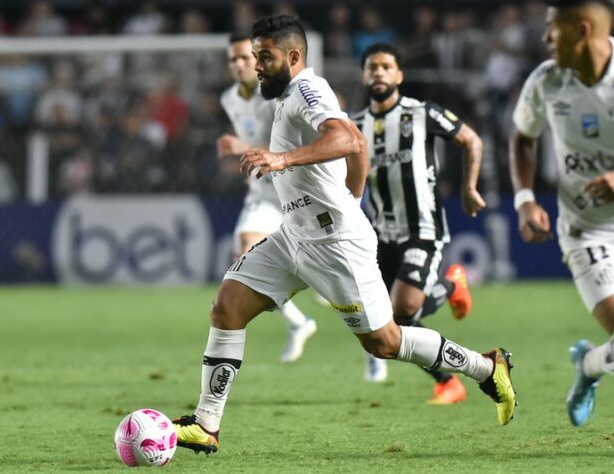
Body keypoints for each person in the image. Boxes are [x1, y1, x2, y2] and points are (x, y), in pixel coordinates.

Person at [173, 15, 516, 455]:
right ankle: (206, 424)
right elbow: (358, 145)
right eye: (254, 55)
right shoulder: (286, 95)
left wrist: (284, 160)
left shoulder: (306, 89)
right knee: (227, 307)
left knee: (385, 342)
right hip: (292, 236)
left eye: (265, 56)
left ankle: (487, 368)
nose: (257, 64)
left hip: (335, 245)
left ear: (293, 57)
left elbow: (347, 138)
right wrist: (352, 195)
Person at [353, 42, 486, 403]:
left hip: (423, 230)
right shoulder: (354, 126)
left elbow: (471, 139)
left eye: (386, 66)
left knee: (403, 310)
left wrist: (469, 186)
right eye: (372, 67)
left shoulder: (422, 113)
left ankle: (452, 286)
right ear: (364, 76)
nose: (379, 72)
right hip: (380, 236)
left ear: (399, 75)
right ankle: (447, 382)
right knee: (387, 325)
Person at [510, 0, 614, 426]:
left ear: (581, 30)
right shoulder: (546, 81)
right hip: (587, 230)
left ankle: (589, 365)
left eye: (553, 28)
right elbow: (523, 138)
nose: (545, 38)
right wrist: (525, 200)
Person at [217, 32, 316, 363]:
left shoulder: (275, 94)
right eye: (234, 59)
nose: (240, 64)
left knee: (334, 281)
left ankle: (375, 350)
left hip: (296, 188)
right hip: (262, 191)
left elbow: (285, 144)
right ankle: (298, 323)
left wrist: (241, 148)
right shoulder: (229, 98)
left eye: (246, 57)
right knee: (245, 254)